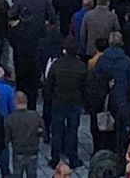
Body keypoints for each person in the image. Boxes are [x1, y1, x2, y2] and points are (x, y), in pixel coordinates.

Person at [44, 37, 86, 170]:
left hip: (58, 101)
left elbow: (48, 84)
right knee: (72, 130)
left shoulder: (57, 64)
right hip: (74, 101)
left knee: (57, 130)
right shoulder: (81, 66)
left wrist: (48, 100)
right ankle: (73, 157)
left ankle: (55, 158)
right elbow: (85, 86)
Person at [5, 91, 43, 178]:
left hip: (19, 151)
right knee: (32, 174)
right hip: (33, 151)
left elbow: (7, 138)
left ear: (15, 102)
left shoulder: (11, 118)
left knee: (17, 174)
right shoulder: (35, 116)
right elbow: (43, 133)